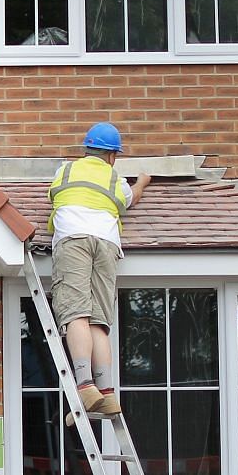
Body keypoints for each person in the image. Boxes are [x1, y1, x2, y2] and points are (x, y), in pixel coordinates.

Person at [47, 121, 150, 415]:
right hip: (106, 243)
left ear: (86, 149)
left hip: (73, 239)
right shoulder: (114, 177)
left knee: (75, 313)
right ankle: (106, 392)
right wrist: (142, 181)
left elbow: (53, 197)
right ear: (113, 156)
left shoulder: (65, 170)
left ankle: (84, 385)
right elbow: (129, 200)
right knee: (98, 321)